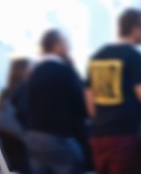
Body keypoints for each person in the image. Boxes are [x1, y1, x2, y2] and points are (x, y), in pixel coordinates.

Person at [85, 8, 141, 174]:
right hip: (126, 136)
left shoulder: (98, 56)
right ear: (135, 29)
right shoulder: (132, 56)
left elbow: (89, 98)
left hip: (99, 136)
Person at [25, 29, 88, 174]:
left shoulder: (35, 72)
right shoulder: (64, 71)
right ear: (55, 46)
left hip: (34, 135)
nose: (68, 47)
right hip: (58, 137)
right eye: (65, 43)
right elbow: (79, 104)